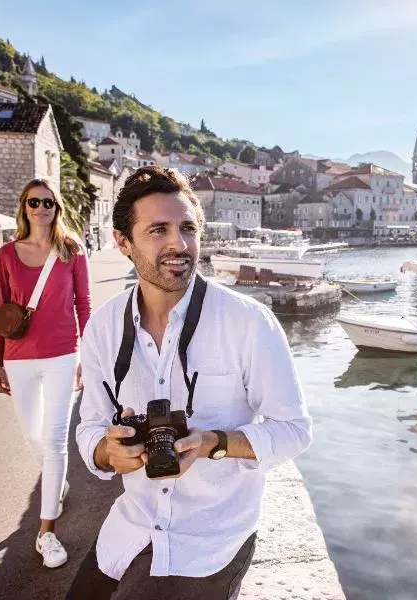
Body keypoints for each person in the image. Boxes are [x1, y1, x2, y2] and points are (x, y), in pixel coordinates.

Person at [67, 166, 312, 599]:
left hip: (211, 543)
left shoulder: (249, 323)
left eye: (187, 228)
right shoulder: (103, 329)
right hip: (130, 527)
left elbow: (294, 430)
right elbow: (89, 425)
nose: (178, 244)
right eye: (158, 230)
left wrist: (212, 443)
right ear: (123, 242)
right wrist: (107, 452)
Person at [0, 179, 91, 569]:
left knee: (54, 441)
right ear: (24, 206)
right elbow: (3, 309)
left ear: (56, 207)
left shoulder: (71, 252)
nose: (41, 207)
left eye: (48, 201)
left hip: (63, 355)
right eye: (34, 201)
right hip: (18, 359)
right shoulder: (7, 254)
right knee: (33, 436)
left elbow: (83, 303)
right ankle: (57, 482)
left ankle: (46, 531)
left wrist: (87, 355)